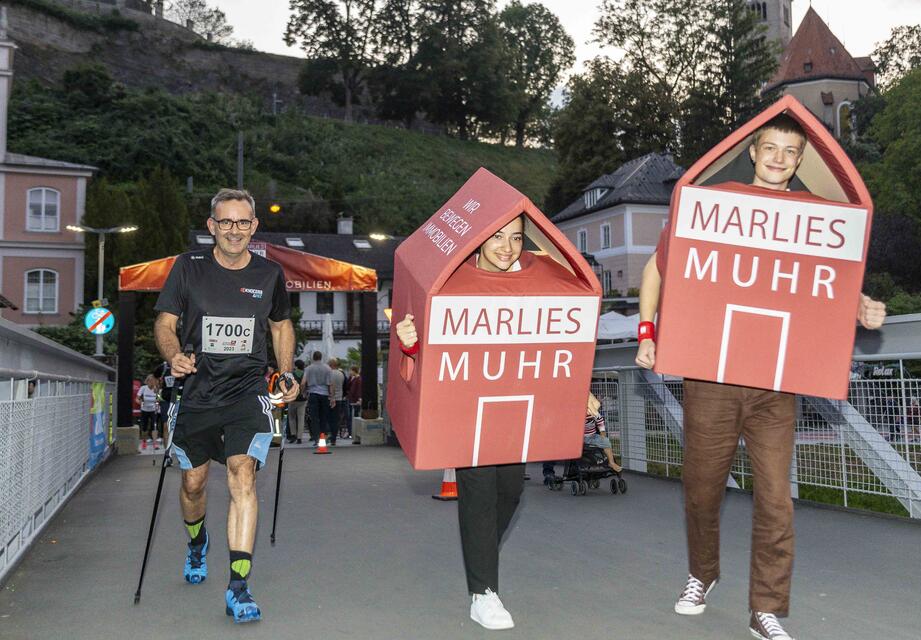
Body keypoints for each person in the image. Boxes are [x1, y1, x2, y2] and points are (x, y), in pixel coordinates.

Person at [634, 114, 887, 640]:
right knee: (702, 489)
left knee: (776, 497)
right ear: (752, 151)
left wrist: (862, 307)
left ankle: (766, 607)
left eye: (789, 151)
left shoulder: (817, 217)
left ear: (800, 161)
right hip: (713, 376)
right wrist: (646, 332)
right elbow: (659, 268)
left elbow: (832, 285)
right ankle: (702, 575)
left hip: (776, 382)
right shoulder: (716, 203)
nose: (777, 158)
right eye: (769, 147)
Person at [395, 216, 600, 631]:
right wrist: (410, 340)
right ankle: (483, 593)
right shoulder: (451, 283)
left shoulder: (538, 282)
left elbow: (557, 341)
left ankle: (481, 558)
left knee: (509, 492)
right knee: (477, 492)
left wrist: (580, 387)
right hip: (468, 411)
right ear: (477, 240)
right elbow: (432, 351)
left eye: (516, 238)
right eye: (497, 237)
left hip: (512, 412)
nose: (507, 247)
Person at [153, 188, 299, 624]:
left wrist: (286, 373)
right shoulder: (188, 268)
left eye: (243, 222)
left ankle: (239, 585)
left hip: (246, 392)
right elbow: (164, 323)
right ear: (212, 227)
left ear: (253, 227)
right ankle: (197, 543)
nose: (234, 230)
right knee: (193, 484)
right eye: (226, 222)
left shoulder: (270, 274)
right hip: (196, 392)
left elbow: (281, 325)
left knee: (242, 477)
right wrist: (172, 355)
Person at [303, 351, 331, 445]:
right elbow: (330, 384)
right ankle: (324, 436)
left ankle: (316, 438)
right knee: (324, 416)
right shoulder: (327, 368)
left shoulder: (308, 368)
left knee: (314, 417)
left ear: (313, 358)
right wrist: (332, 396)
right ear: (321, 357)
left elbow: (303, 382)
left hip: (313, 393)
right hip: (324, 394)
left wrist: (304, 392)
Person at [285, 359, 307, 444]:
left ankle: (293, 435)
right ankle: (299, 437)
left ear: (296, 366)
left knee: (292, 417)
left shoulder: (291, 375)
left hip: (293, 398)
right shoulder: (305, 374)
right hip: (302, 399)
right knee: (301, 418)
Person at [137, 374, 160, 451]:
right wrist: (141, 403)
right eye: (150, 381)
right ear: (147, 381)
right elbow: (137, 399)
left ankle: (155, 443)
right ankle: (144, 441)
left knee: (154, 426)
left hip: (153, 410)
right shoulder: (143, 388)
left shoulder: (156, 389)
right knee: (144, 427)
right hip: (144, 410)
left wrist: (157, 402)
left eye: (153, 381)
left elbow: (159, 399)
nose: (151, 383)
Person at [326, 358, 346, 444]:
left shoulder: (328, 373)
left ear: (330, 365)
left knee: (327, 418)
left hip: (329, 398)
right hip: (339, 399)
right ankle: (334, 438)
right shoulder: (341, 374)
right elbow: (345, 386)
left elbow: (328, 386)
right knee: (336, 419)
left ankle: (328, 435)